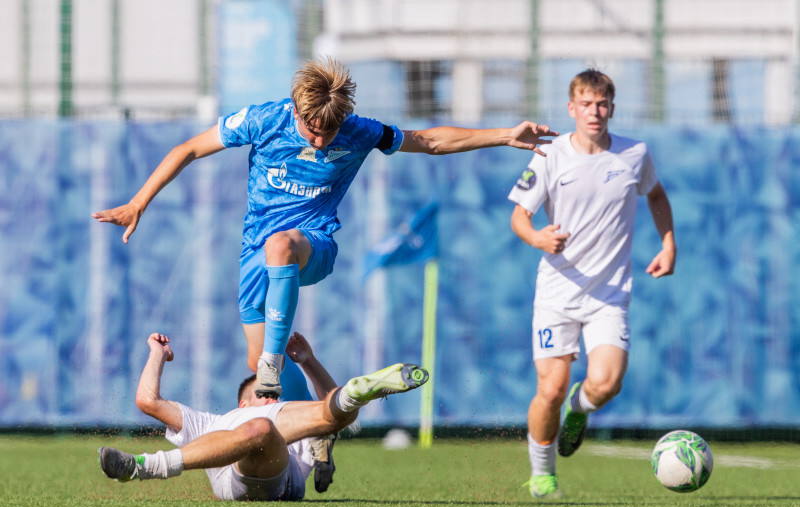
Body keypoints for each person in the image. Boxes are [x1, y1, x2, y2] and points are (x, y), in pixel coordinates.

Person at [91, 57, 557, 400]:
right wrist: (138, 202)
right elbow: (190, 148)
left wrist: (502, 134)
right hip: (255, 252)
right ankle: (316, 429)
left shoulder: (358, 130)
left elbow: (429, 140)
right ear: (296, 110)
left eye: (327, 133)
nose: (319, 139)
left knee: (281, 251)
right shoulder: (263, 119)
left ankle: (274, 368)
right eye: (312, 130)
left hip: (313, 247)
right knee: (257, 365)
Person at [508, 69, 676, 499]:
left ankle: (579, 412)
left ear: (612, 109)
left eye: (602, 104)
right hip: (557, 294)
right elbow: (519, 217)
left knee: (606, 382)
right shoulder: (550, 155)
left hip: (608, 295)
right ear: (572, 108)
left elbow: (655, 195)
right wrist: (538, 237)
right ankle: (542, 475)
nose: (594, 112)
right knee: (550, 388)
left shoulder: (634, 154)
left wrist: (668, 244)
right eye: (586, 104)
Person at [98, 331, 429, 501]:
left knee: (325, 417)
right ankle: (353, 394)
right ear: (241, 403)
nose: (271, 395)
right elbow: (147, 400)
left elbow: (329, 415)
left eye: (274, 392)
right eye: (262, 393)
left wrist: (308, 360)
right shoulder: (210, 422)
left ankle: (356, 391)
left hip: (277, 478)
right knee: (264, 426)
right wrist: (157, 352)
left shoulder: (282, 415)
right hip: (238, 477)